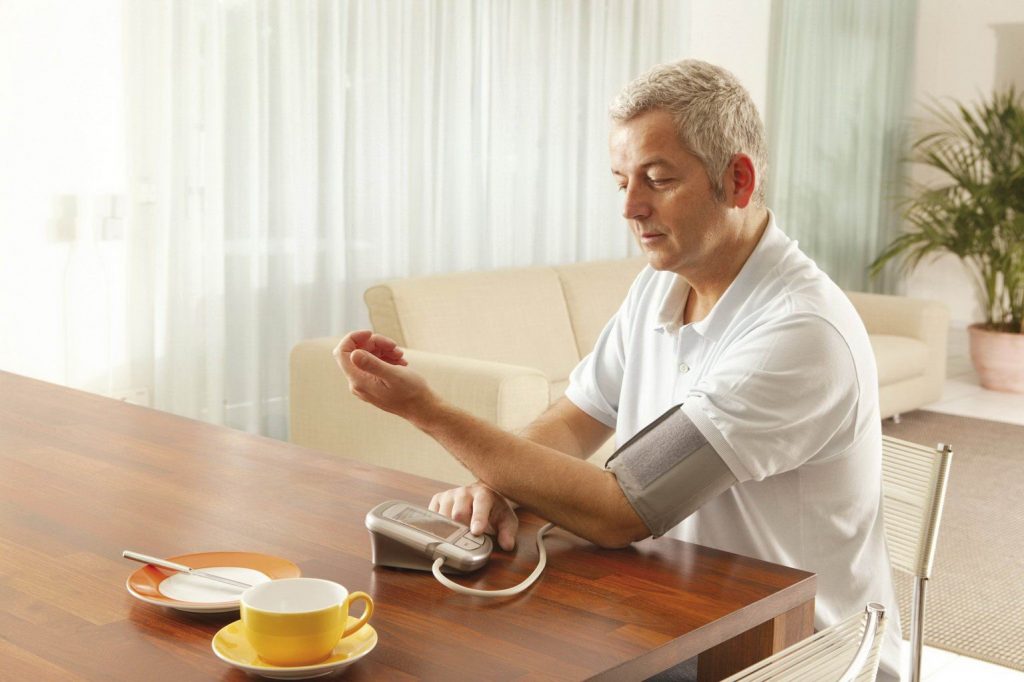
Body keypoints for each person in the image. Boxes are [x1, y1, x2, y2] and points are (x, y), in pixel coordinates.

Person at [334, 59, 901, 681]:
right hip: (678, 613)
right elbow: (575, 421)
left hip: (789, 654)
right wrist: (498, 487)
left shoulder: (799, 334)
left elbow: (619, 508)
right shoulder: (658, 290)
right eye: (621, 180)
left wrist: (427, 411)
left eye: (658, 180)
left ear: (738, 180)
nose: (631, 207)